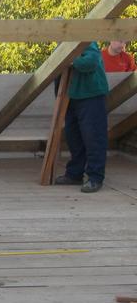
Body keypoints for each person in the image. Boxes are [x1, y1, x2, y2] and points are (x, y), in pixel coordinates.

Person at [55, 42, 109, 193]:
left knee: (94, 137)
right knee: (74, 138)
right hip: (71, 97)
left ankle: (95, 177)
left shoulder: (86, 42)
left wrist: (71, 59)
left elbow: (90, 63)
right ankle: (74, 174)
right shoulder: (61, 45)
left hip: (91, 95)